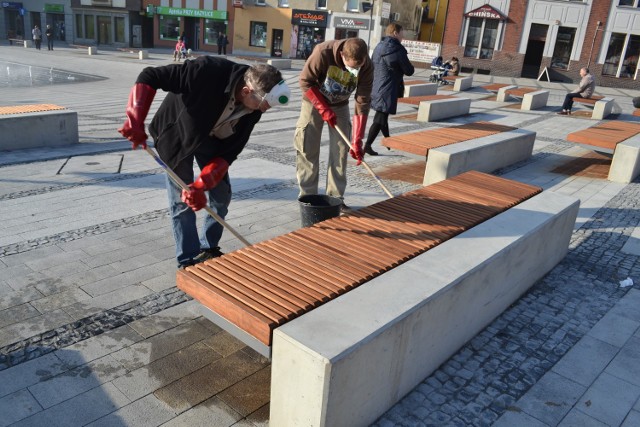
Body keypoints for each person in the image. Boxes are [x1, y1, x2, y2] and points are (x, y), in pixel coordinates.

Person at [118, 58, 291, 268]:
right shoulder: (205, 71)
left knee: (221, 195)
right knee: (183, 202)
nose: (264, 110)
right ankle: (188, 258)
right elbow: (150, 76)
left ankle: (208, 247)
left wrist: (202, 184)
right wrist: (135, 118)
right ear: (246, 91)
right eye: (263, 104)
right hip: (178, 136)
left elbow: (228, 153)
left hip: (213, 139)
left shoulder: (254, 109)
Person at [294, 37, 373, 212]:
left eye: (357, 68)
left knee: (341, 151)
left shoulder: (366, 64)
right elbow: (305, 81)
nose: (353, 71)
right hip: (313, 103)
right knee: (308, 148)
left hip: (340, 105)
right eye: (350, 66)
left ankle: (335, 199)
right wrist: (322, 108)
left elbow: (363, 100)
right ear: (341, 55)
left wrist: (357, 140)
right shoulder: (323, 52)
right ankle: (308, 197)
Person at [363, 23, 414, 156]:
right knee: (380, 118)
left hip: (377, 86)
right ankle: (367, 146)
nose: (403, 36)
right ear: (396, 33)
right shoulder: (397, 49)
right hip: (387, 88)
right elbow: (409, 70)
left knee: (382, 115)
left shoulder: (379, 47)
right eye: (402, 32)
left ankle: (388, 141)